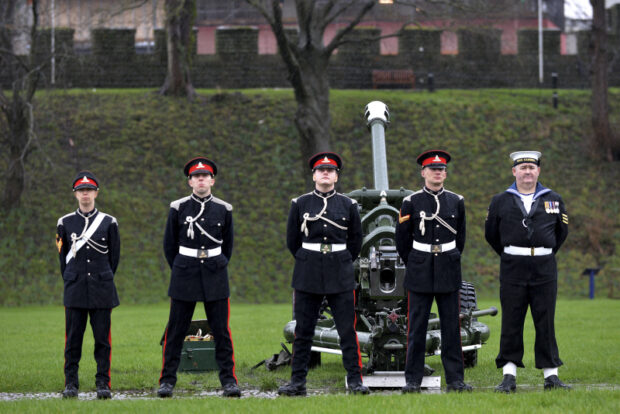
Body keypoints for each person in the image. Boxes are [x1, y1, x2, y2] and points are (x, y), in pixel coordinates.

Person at [278, 152, 369, 396]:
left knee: (347, 331)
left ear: (336, 176)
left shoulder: (348, 205)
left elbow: (355, 241)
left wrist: (341, 260)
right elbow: (292, 241)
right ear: (314, 175)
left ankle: (355, 381)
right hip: (308, 272)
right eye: (321, 170)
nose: (325, 173)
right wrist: (309, 258)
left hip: (339, 271)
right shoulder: (300, 203)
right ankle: (297, 382)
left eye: (330, 170)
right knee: (303, 331)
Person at [485, 151, 570, 393]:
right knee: (511, 320)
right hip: (513, 267)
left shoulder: (553, 198)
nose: (527, 171)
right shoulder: (500, 200)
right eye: (522, 168)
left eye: (532, 167)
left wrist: (544, 250)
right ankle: (509, 376)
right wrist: (511, 253)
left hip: (544, 268)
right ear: (514, 172)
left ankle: (551, 376)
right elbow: (491, 234)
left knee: (546, 321)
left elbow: (561, 232)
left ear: (538, 171)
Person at [157, 157, 240, 398]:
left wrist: (219, 263)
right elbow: (169, 245)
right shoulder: (178, 207)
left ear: (212, 180)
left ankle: (229, 381)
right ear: (190, 181)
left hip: (215, 273)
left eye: (205, 176)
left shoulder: (224, 209)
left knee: (221, 331)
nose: (201, 179)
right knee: (175, 330)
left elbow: (228, 245)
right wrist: (182, 266)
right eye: (196, 176)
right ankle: (167, 381)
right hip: (185, 272)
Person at [395, 150, 471, 393]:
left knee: (452, 329)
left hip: (448, 267)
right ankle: (412, 381)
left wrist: (451, 256)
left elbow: (461, 238)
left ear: (445, 173)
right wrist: (415, 261)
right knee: (417, 328)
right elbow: (402, 240)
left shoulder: (456, 200)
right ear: (423, 172)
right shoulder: (411, 201)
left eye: (441, 169)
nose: (437, 172)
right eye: (432, 168)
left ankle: (456, 380)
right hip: (420, 268)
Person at [56, 171, 120, 399]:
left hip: (101, 289)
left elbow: (114, 258)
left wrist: (100, 278)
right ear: (76, 194)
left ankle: (103, 383)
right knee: (73, 341)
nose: (85, 194)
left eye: (89, 190)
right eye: (81, 191)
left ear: (96, 193)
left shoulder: (109, 222)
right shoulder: (64, 223)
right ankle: (71, 384)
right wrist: (74, 278)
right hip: (75, 290)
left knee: (102, 341)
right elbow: (63, 258)